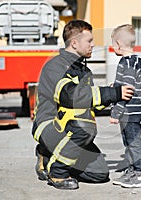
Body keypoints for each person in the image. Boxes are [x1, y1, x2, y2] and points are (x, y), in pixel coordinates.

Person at [32, 20, 134, 190]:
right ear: (74, 43)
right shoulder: (55, 66)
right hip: (50, 124)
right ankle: (57, 173)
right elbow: (70, 96)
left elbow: (87, 103)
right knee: (86, 127)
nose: (93, 45)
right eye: (89, 41)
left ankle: (48, 155)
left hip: (70, 126)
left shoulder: (84, 71)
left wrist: (111, 97)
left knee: (99, 173)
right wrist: (111, 93)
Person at [109, 24, 141, 188]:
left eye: (113, 44)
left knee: (133, 142)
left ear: (118, 43)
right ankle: (132, 170)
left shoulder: (124, 63)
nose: (113, 48)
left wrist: (115, 112)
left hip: (129, 110)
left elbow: (126, 90)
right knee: (129, 141)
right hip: (136, 108)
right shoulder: (138, 61)